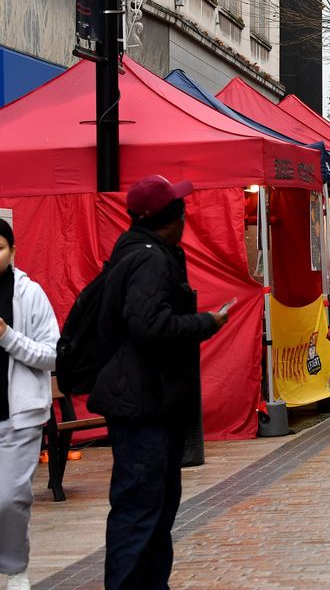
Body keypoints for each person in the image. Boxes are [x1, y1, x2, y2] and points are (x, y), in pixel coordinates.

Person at [90, 175, 229, 588]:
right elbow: (148, 324)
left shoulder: (137, 251)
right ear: (170, 219)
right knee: (140, 508)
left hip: (149, 401)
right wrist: (206, 322)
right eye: (181, 210)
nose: (186, 217)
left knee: (157, 507)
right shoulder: (149, 258)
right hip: (142, 403)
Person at [0, 219, 58, 590]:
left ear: (13, 251)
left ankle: (15, 568)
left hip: (18, 416)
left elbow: (53, 355)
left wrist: (8, 337)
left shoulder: (29, 293)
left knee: (8, 499)